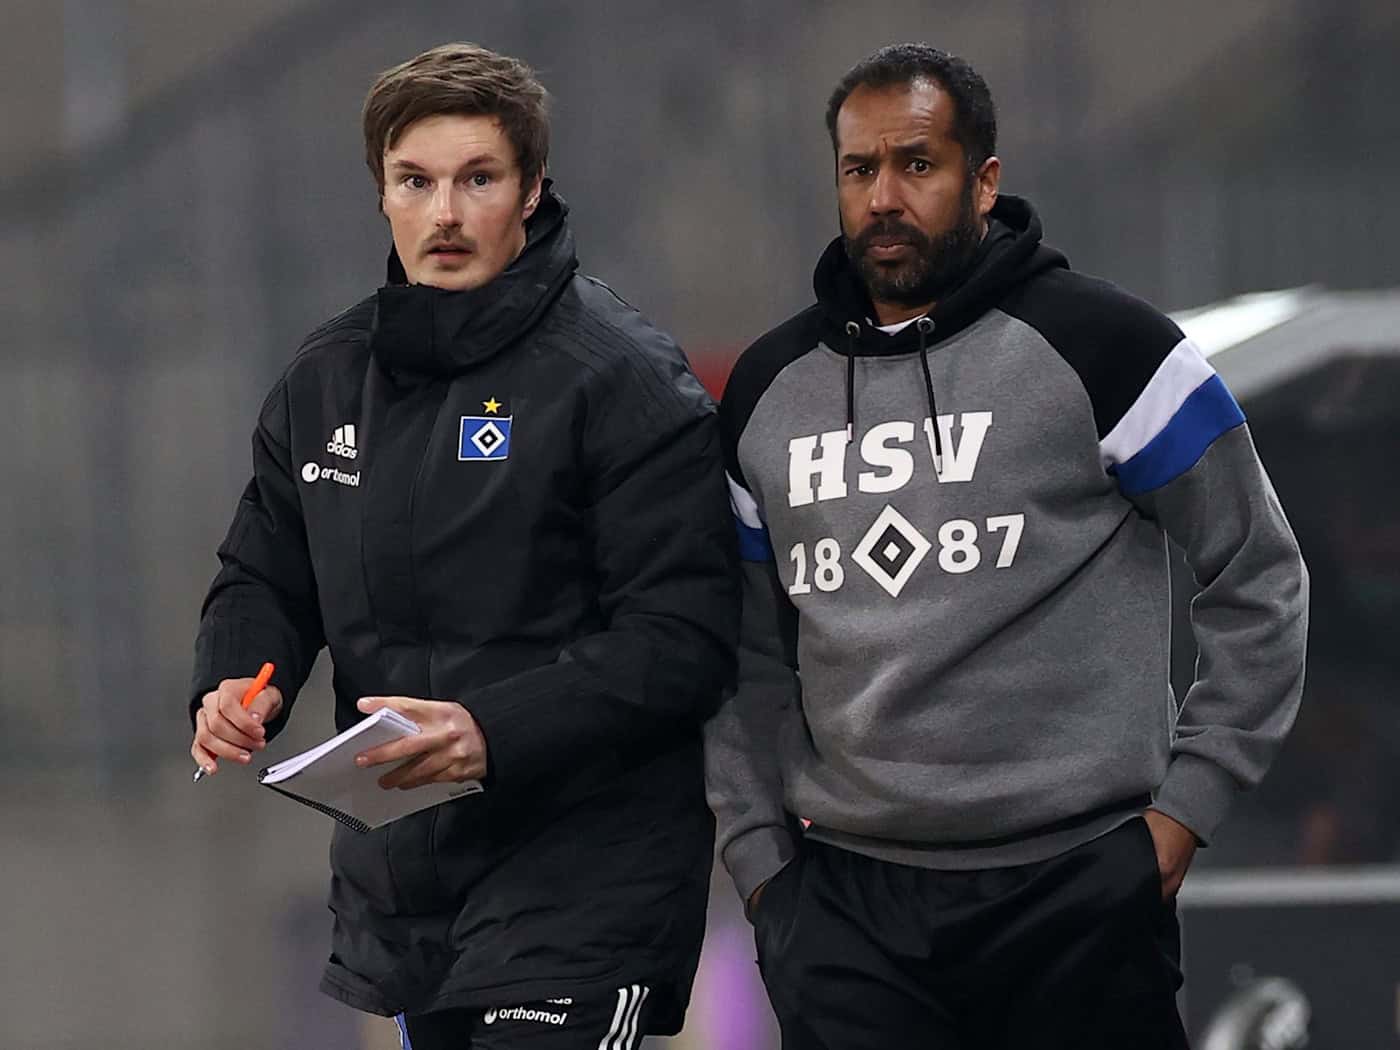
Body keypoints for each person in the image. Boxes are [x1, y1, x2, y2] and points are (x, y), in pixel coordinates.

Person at [704, 43, 1308, 1049]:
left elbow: (1257, 578)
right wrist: (763, 871)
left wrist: (1180, 814)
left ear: (982, 179)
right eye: (860, 170)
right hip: (848, 908)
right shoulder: (766, 393)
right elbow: (739, 656)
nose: (885, 197)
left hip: (1079, 887)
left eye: (917, 164)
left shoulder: (1110, 348)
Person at [187, 42, 737, 1050]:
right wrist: (239, 681)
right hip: (410, 883)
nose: (443, 213)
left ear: (531, 192)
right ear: (381, 193)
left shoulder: (620, 379)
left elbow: (683, 639)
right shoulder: (325, 378)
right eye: (416, 181)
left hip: (586, 879)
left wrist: (492, 729)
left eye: (477, 179)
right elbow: (264, 571)